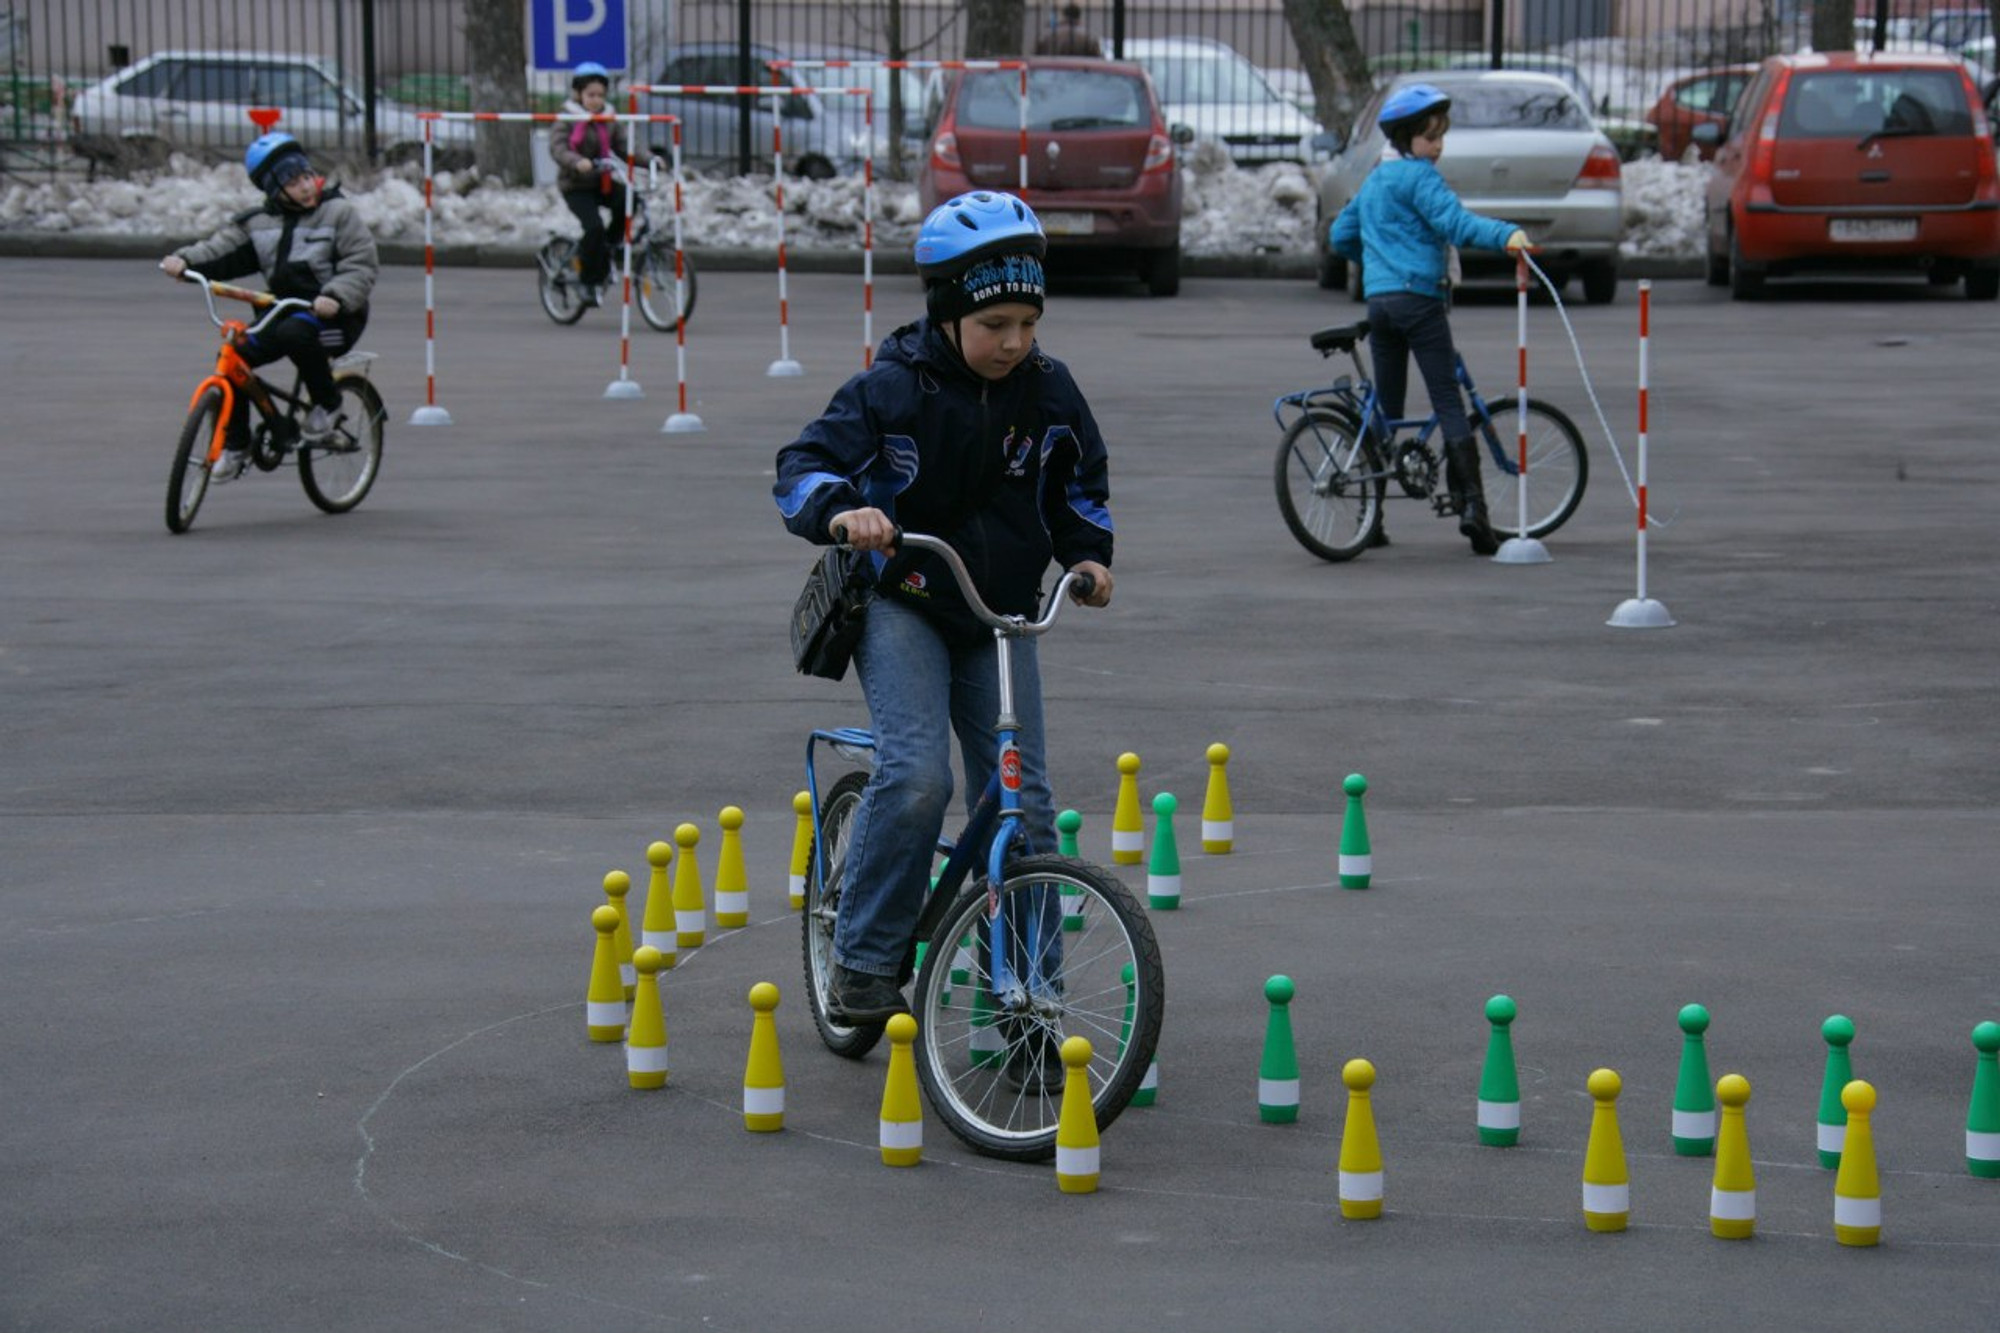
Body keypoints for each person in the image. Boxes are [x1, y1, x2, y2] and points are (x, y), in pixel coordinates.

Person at [773, 191, 1115, 1028]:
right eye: (994, 322)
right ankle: (861, 958)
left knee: (1025, 807)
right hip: (907, 600)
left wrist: (1089, 554)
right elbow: (802, 465)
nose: (1014, 342)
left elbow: (1079, 488)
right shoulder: (895, 387)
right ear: (950, 310)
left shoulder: (1050, 392)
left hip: (1001, 616)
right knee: (920, 772)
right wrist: (843, 512)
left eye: (1027, 323)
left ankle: (1031, 997)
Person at [1329, 83, 1530, 555]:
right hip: (1420, 301)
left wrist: (1377, 262)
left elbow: (1341, 235)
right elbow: (1456, 225)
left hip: (1381, 304)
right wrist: (1508, 236)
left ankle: (1371, 519)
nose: (1436, 146)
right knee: (1448, 401)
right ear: (1405, 139)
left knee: (1389, 408)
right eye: (1428, 136)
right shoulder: (1420, 179)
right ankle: (1475, 513)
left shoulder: (1377, 179)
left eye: (1440, 136)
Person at [161, 132, 379, 482]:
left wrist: (335, 297)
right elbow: (218, 249)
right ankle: (236, 445)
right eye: (293, 182)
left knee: (297, 333)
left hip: (337, 317)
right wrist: (184, 262)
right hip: (281, 313)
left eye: (307, 177)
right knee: (233, 358)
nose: (306, 187)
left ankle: (328, 404)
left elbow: (361, 264)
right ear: (273, 189)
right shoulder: (257, 223)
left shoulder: (338, 213)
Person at [548, 60, 627, 308]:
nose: (596, 100)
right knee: (593, 228)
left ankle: (609, 248)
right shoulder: (568, 117)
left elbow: (625, 146)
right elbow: (558, 148)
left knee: (629, 200)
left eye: (600, 95)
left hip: (601, 182)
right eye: (590, 95)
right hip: (576, 186)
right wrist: (577, 161)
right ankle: (588, 280)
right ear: (578, 94)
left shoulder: (608, 118)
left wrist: (652, 160)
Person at [1034, 3, 1104, 56]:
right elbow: (1096, 57)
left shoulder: (1048, 35)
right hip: (1079, 73)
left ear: (1063, 15)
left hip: (1051, 73)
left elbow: (1035, 54)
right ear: (1079, 17)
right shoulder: (1087, 36)